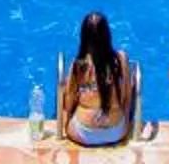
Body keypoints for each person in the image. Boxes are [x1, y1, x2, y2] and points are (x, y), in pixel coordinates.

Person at [59, 11, 138, 149]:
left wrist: (64, 125)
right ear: (107, 34)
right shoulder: (121, 59)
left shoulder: (78, 65)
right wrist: (125, 123)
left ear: (84, 36)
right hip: (116, 132)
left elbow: (68, 103)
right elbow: (126, 99)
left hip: (83, 133)